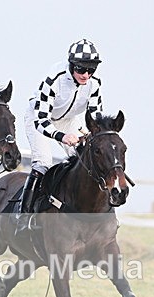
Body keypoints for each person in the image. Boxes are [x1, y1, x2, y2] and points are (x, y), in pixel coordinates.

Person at [17, 39, 104, 231]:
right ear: (72, 65)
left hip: (68, 120)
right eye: (81, 69)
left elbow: (96, 118)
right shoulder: (55, 78)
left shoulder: (94, 83)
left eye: (91, 70)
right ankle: (23, 217)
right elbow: (41, 121)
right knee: (43, 163)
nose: (86, 75)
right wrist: (61, 137)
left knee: (82, 161)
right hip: (38, 117)